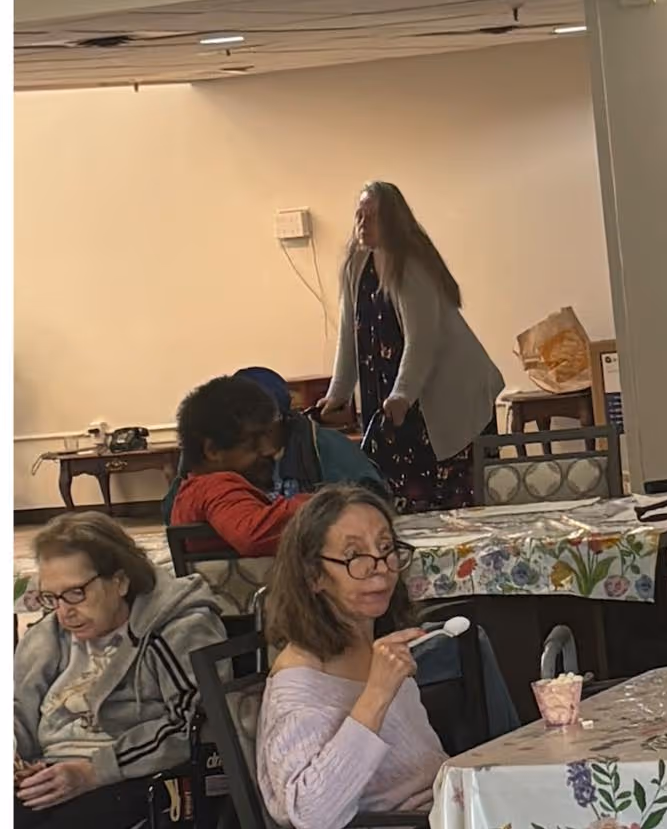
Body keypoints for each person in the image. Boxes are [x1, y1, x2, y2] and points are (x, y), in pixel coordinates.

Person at [14, 515, 225, 829]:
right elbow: (15, 706)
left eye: (75, 593)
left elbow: (195, 724)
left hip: (135, 777)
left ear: (120, 581)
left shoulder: (177, 626)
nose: (64, 612)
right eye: (51, 598)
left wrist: (92, 772)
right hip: (51, 771)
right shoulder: (50, 635)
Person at [256, 487, 443, 829]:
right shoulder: (298, 686)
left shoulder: (378, 645)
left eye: (386, 548)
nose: (380, 570)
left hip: (439, 828)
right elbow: (312, 815)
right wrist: (376, 694)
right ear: (314, 576)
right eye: (355, 556)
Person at [318, 183, 505, 512]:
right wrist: (338, 393)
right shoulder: (356, 263)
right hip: (397, 393)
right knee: (395, 492)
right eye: (359, 215)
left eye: (372, 217)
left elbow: (422, 340)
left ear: (392, 221)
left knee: (453, 500)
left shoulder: (411, 264)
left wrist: (402, 394)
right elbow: (350, 332)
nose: (362, 223)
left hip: (448, 392)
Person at [168, 376, 312, 554]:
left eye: (268, 436)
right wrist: (325, 505)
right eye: (254, 441)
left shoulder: (193, 490)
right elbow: (253, 536)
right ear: (213, 450)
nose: (269, 450)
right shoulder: (216, 487)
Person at [233, 367, 390, 501]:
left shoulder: (327, 448)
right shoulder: (229, 455)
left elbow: (373, 500)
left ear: (281, 418)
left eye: (260, 426)